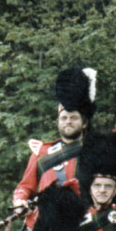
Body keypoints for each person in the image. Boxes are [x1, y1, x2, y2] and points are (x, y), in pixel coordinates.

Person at [13, 67, 97, 213]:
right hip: (48, 221)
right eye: (64, 118)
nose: (68, 122)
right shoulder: (41, 153)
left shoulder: (96, 151)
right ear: (57, 122)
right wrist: (20, 201)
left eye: (74, 118)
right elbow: (25, 187)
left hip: (85, 220)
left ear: (84, 123)